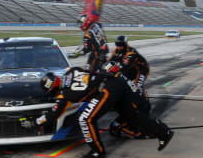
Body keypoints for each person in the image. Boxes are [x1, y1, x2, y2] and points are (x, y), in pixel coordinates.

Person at [21, 66, 173, 158]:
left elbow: (53, 115)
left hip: (106, 91)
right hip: (115, 82)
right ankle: (163, 132)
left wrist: (35, 121)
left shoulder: (63, 97)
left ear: (53, 88)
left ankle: (97, 152)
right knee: (132, 117)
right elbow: (91, 72)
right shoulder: (71, 71)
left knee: (85, 119)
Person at [109, 35, 150, 100]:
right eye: (117, 45)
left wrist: (114, 69)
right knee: (121, 83)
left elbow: (125, 66)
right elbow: (110, 61)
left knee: (138, 85)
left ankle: (143, 102)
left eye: (121, 45)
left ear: (125, 44)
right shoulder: (116, 51)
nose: (118, 47)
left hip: (142, 69)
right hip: (131, 69)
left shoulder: (131, 52)